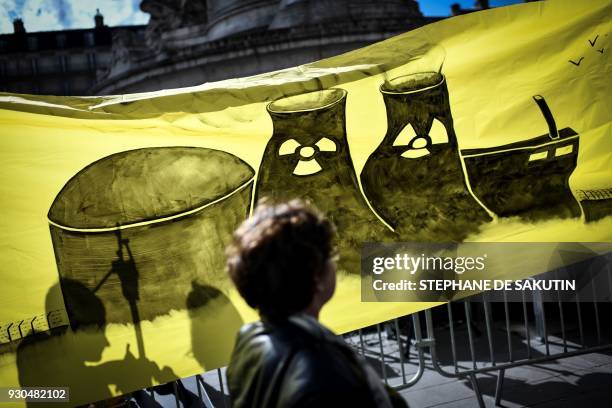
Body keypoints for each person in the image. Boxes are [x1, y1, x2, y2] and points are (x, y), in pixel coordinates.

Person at [225, 199, 408, 408]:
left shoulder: (250, 339)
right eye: (329, 254)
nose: (334, 262)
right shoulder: (324, 371)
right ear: (315, 276)